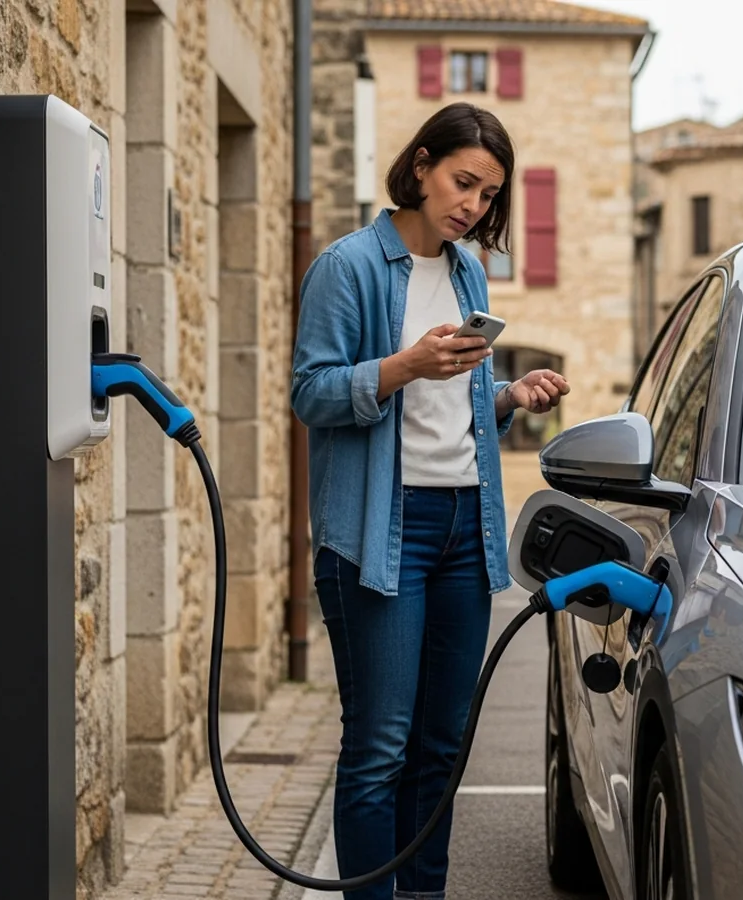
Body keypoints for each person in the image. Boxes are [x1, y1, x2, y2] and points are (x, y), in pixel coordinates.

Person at [289, 101, 570, 900]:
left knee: (441, 748)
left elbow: (459, 405)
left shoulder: (468, 272)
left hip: (463, 527)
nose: (473, 206)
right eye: (463, 182)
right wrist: (403, 366)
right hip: (381, 530)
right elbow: (310, 394)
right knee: (380, 747)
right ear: (420, 166)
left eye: (488, 195)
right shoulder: (348, 266)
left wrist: (509, 394)